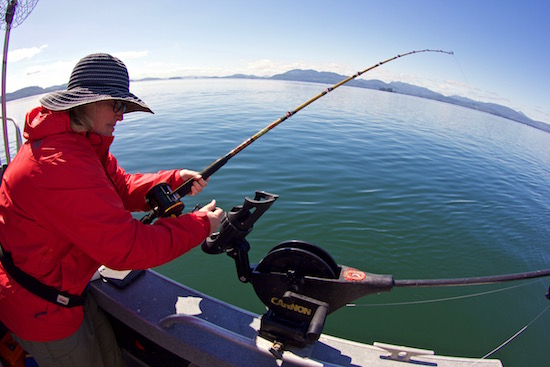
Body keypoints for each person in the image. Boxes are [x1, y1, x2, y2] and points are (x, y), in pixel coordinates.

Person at [0, 53, 224, 367]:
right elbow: (127, 249)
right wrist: (201, 225)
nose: (120, 117)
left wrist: (172, 181)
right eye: (116, 105)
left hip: (67, 290)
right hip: (42, 309)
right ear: (84, 102)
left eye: (123, 107)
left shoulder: (77, 142)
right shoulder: (59, 163)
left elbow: (117, 186)